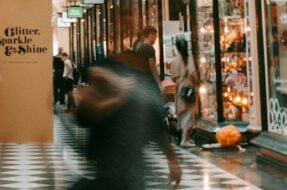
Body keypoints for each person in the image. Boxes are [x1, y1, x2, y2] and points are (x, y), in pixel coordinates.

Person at [72, 54, 182, 189]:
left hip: (128, 166)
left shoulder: (137, 95)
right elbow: (85, 114)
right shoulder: (107, 92)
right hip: (111, 166)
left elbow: (157, 128)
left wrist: (172, 160)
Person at [169, 35, 199, 146]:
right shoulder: (189, 58)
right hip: (188, 86)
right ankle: (184, 139)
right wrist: (197, 83)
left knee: (182, 112)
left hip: (179, 88)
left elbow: (172, 77)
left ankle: (184, 137)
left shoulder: (174, 60)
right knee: (189, 112)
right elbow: (192, 73)